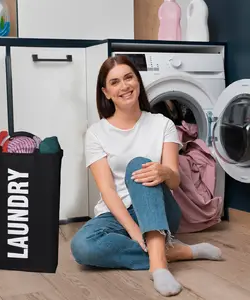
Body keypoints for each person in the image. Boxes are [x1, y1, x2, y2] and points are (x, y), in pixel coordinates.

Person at [70, 55, 223, 297]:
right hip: (118, 212)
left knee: (139, 166)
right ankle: (178, 252)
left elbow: (175, 180)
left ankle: (159, 266)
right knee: (82, 247)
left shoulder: (162, 124)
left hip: (159, 208)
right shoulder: (96, 133)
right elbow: (108, 191)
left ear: (138, 82)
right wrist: (132, 229)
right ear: (106, 92)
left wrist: (164, 172)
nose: (124, 86)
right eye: (115, 82)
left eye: (129, 77)